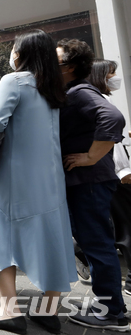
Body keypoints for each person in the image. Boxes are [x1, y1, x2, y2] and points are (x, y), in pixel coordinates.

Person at [0, 31, 76, 334]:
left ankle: (8, 311)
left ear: (23, 53)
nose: (12, 53)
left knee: (1, 234)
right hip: (51, 177)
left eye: (15, 48)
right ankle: (48, 311)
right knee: (51, 236)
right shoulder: (54, 87)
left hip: (15, 174)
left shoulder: (13, 81)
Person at [58, 39, 128, 331]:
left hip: (89, 182)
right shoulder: (73, 92)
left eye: (56, 61)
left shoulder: (80, 92)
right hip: (87, 182)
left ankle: (112, 312)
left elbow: (112, 117)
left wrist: (90, 156)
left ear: (71, 67)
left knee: (98, 244)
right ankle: (109, 304)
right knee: (95, 243)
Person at [88, 59, 131, 296]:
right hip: (114, 174)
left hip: (111, 173)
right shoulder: (100, 103)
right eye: (111, 73)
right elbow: (110, 143)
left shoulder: (102, 100)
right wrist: (124, 172)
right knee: (123, 227)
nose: (115, 77)